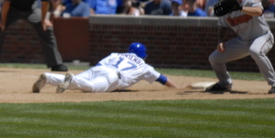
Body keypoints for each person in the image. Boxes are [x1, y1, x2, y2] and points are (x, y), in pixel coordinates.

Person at [207, 0, 275, 94]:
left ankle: (274, 83)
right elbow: (223, 26)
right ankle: (225, 83)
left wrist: (240, 8)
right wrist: (220, 41)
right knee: (214, 58)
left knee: (255, 50)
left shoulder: (250, 0)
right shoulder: (226, 6)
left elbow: (258, 11)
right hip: (243, 41)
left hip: (263, 36)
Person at [32, 42, 182, 93]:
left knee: (80, 80)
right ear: (143, 55)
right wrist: (176, 88)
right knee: (89, 87)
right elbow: (163, 79)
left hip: (99, 69)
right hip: (113, 76)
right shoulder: (144, 65)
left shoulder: (117, 53)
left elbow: (99, 64)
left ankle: (49, 77)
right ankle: (70, 80)